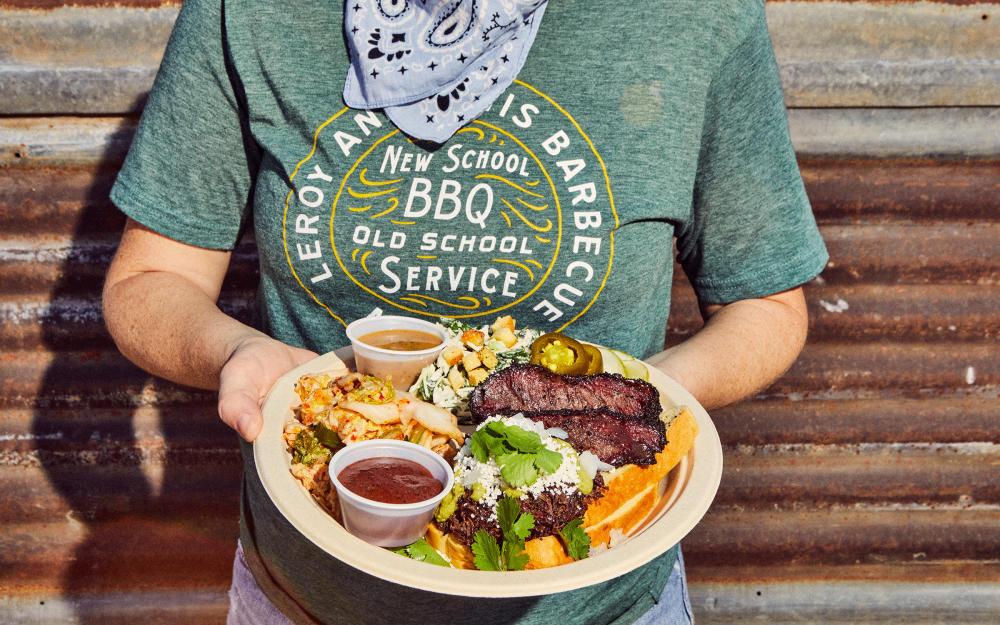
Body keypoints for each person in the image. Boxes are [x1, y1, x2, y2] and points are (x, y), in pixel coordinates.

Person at [102, 1, 828, 623]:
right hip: (305, 599)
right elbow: (152, 280)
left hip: (602, 607)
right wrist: (235, 352)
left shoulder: (694, 15)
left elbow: (764, 303)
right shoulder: (251, 11)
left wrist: (633, 406)